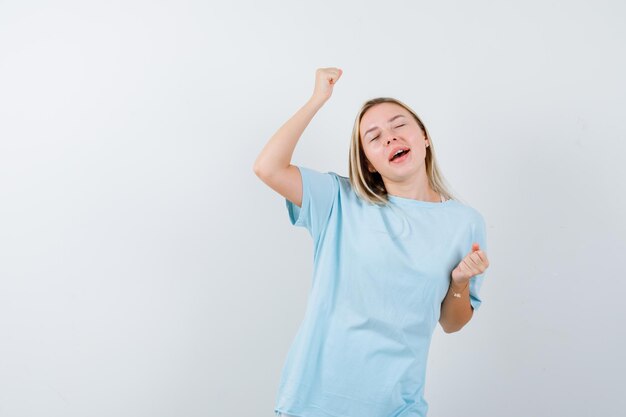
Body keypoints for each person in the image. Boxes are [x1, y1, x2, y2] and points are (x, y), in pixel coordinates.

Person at [253, 67, 490, 417]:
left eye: (399, 125)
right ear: (369, 162)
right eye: (374, 137)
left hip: (397, 407)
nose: (390, 138)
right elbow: (268, 168)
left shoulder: (464, 222)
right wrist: (318, 99)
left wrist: (459, 283)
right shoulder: (339, 201)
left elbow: (452, 323)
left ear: (423, 136)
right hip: (313, 403)